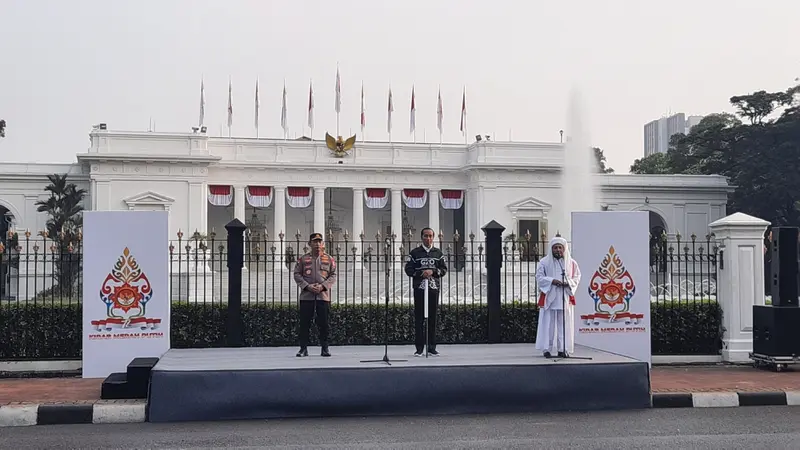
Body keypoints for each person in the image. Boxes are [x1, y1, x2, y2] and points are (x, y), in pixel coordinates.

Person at [535, 235, 582, 358]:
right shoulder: (544, 262)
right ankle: (547, 348)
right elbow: (539, 278)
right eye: (555, 248)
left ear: (564, 249)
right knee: (548, 324)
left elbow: (577, 277)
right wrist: (552, 281)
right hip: (550, 296)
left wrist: (569, 283)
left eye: (560, 247)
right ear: (551, 249)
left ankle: (563, 349)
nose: (558, 250)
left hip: (564, 297)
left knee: (564, 324)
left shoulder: (571, 263)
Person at [404, 227, 448, 356]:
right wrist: (421, 273)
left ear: (433, 237)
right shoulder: (415, 253)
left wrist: (433, 272)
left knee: (432, 318)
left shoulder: (438, 253)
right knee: (419, 319)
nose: (428, 239)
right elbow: (408, 269)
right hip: (420, 288)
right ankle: (419, 348)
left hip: (433, 289)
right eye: (425, 236)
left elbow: (443, 270)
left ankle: (432, 347)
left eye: (430, 236)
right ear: (421, 237)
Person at [293, 232, 338, 357]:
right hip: (307, 295)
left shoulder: (329, 259)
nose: (317, 244)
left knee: (323, 323)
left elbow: (333, 275)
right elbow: (297, 274)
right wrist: (307, 286)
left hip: (322, 296)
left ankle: (325, 348)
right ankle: (303, 348)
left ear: (323, 244)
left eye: (319, 241)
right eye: (315, 241)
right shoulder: (303, 259)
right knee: (304, 323)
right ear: (309, 244)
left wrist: (323, 286)